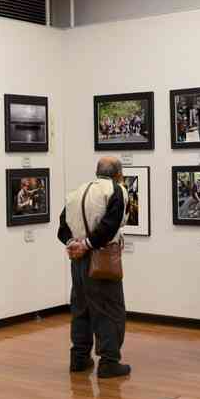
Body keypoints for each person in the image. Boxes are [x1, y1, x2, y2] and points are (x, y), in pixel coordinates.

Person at [57, 157, 131, 379]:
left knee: (81, 308)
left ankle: (79, 358)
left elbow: (62, 225)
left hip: (77, 260)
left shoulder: (77, 191)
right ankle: (109, 362)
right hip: (102, 258)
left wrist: (73, 244)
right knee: (109, 309)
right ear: (118, 173)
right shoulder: (117, 191)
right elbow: (110, 225)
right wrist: (88, 245)